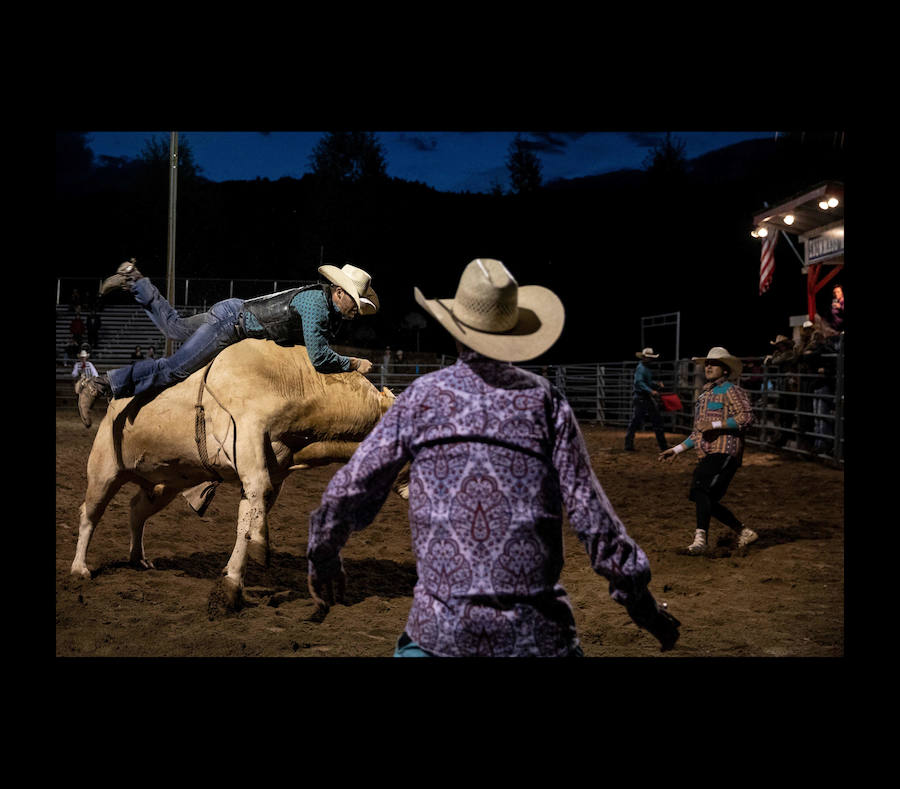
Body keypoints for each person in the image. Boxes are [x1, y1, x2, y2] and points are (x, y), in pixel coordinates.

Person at [306, 258, 680, 657]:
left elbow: (352, 488)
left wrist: (324, 556)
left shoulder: (422, 399)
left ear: (455, 331)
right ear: (513, 335)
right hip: (535, 633)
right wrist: (644, 608)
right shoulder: (544, 403)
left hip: (442, 632)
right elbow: (592, 517)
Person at [76, 258, 380, 428]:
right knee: (174, 370)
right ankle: (101, 385)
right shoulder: (316, 305)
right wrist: (352, 363)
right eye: (354, 303)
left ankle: (133, 279)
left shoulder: (321, 305)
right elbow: (318, 357)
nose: (356, 311)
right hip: (230, 325)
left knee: (174, 327)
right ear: (339, 292)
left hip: (231, 312)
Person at [659, 346, 757, 555]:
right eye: (708, 363)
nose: (709, 366)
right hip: (711, 452)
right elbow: (698, 433)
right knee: (703, 496)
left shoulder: (732, 390)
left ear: (725, 370)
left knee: (699, 487)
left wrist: (714, 425)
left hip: (725, 450)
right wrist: (676, 449)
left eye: (714, 363)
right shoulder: (705, 395)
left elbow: (747, 417)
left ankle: (700, 540)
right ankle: (743, 531)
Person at [624, 347, 668, 452]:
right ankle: (663, 446)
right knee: (643, 421)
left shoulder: (645, 368)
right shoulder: (641, 368)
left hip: (643, 398)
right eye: (648, 357)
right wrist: (651, 391)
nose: (650, 359)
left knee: (640, 421)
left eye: (651, 358)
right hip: (641, 398)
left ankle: (663, 446)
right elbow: (639, 383)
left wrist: (656, 385)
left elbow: (645, 383)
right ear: (644, 358)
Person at [763, 333, 798, 448]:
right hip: (784, 387)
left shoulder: (789, 353)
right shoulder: (784, 353)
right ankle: (780, 438)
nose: (779, 348)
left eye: (781, 345)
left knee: (787, 414)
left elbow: (774, 362)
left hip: (790, 388)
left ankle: (783, 439)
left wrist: (772, 358)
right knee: (782, 413)